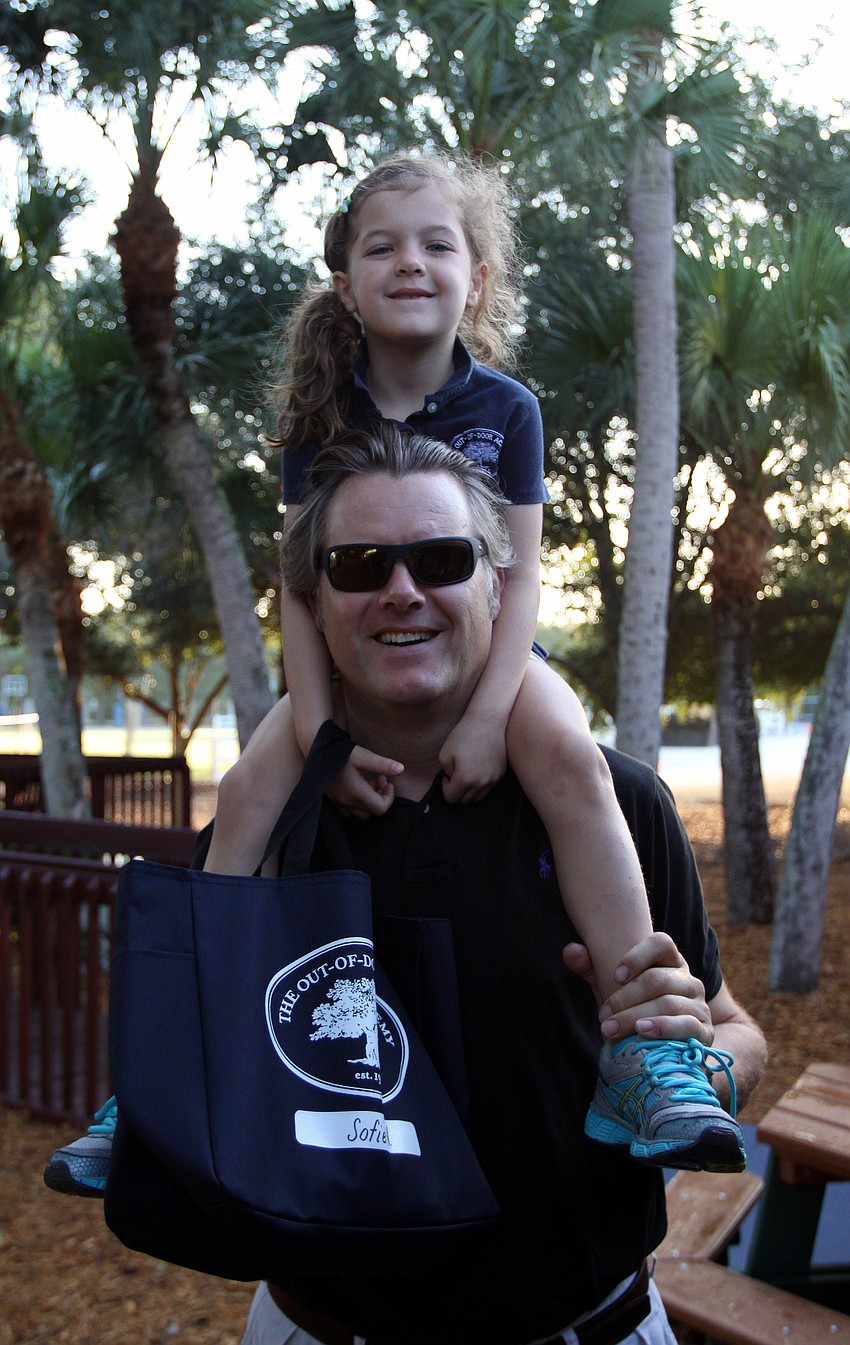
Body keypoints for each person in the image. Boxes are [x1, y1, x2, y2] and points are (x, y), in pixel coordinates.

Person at [43, 151, 742, 1196]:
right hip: (333, 678)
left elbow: (517, 577)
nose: (409, 262)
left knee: (574, 762)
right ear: (344, 283)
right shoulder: (321, 417)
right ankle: (159, 1073)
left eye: (436, 243)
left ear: (479, 279)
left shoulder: (504, 407)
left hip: (504, 659)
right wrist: (325, 742)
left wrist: (492, 712)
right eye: (381, 245)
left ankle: (643, 1043)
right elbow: (297, 590)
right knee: (245, 792)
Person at [240, 424, 766, 1345]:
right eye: (360, 564)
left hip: (592, 1323)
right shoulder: (272, 825)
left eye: (442, 557)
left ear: (497, 582)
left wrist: (700, 1060)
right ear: (314, 603)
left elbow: (734, 1028)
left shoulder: (613, 801)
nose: (402, 589)